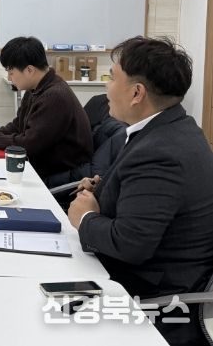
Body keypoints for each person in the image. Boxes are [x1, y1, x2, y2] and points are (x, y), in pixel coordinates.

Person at [68, 36, 213, 346]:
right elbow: (146, 198)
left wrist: (85, 217)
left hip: (151, 295)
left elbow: (130, 244)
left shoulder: (160, 152)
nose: (106, 87)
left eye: (112, 78)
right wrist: (103, 191)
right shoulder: (174, 128)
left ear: (136, 93)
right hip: (145, 276)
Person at [0, 36, 93, 184]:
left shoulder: (54, 96)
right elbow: (17, 126)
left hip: (59, 175)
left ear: (29, 70)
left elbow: (28, 144)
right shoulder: (36, 88)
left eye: (11, 72)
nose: (9, 78)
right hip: (41, 165)